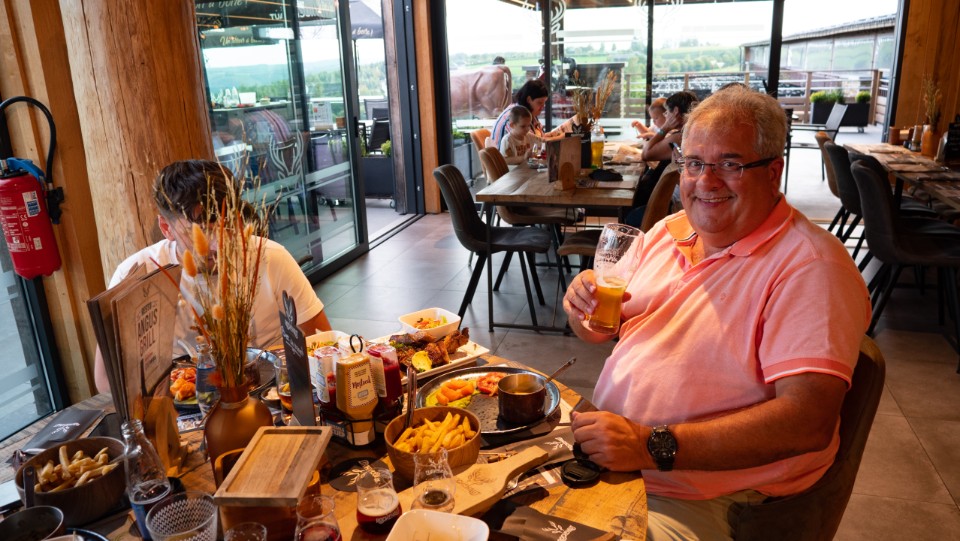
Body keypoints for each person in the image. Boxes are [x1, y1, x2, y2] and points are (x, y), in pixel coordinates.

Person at [562, 87, 871, 540]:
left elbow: (808, 421)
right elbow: (598, 331)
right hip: (613, 456)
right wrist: (582, 305)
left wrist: (649, 445)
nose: (705, 181)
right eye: (693, 163)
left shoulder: (810, 267)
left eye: (729, 164)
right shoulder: (670, 231)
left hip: (705, 495)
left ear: (773, 172)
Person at [94, 160, 332, 393]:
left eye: (227, 226)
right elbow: (106, 381)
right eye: (200, 231)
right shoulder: (137, 274)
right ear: (166, 228)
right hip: (182, 404)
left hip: (267, 393)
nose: (218, 244)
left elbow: (322, 340)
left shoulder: (271, 258)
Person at [624, 91, 699, 228]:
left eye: (667, 112)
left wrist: (665, 127)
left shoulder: (680, 137)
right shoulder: (693, 131)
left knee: (629, 212)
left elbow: (646, 154)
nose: (665, 115)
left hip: (672, 204)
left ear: (675, 112)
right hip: (679, 200)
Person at [490, 79, 571, 148]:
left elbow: (537, 137)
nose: (543, 107)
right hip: (507, 161)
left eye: (544, 103)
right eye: (540, 103)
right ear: (529, 100)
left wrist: (554, 134)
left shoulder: (527, 112)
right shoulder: (515, 115)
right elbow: (535, 143)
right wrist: (562, 137)